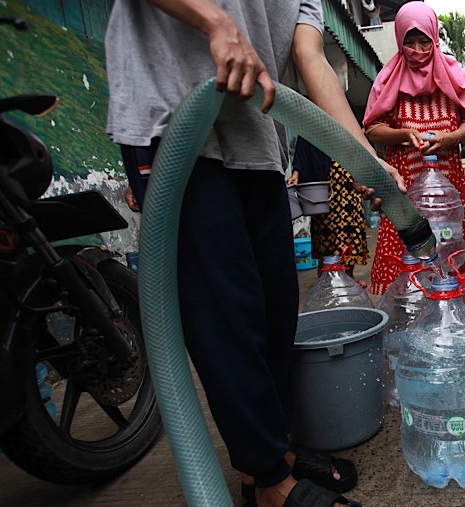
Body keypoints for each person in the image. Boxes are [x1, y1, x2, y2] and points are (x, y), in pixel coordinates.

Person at [104, 2, 403, 507]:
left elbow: (310, 57)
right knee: (226, 311)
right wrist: (215, 22)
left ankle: (271, 458)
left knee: (275, 305)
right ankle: (270, 482)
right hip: (172, 118)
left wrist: (363, 157)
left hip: (257, 136)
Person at [363, 2, 465, 295]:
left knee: (452, 257)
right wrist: (404, 133)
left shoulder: (453, 75)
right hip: (405, 191)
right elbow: (372, 129)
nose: (417, 50)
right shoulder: (388, 79)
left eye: (424, 42)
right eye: (409, 42)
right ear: (399, 41)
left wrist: (450, 138)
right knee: (408, 274)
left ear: (434, 39)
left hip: (449, 190)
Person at [293, 137, 369, 287]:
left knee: (350, 225)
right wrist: (296, 172)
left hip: (346, 176)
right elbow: (303, 145)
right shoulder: (310, 118)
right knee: (325, 227)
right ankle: (326, 275)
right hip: (322, 178)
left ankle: (348, 276)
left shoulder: (341, 118)